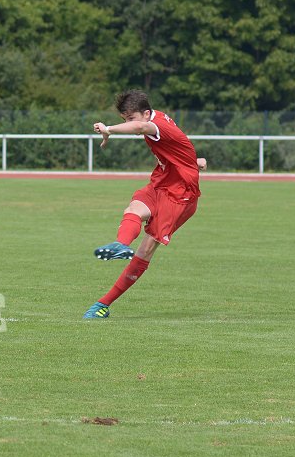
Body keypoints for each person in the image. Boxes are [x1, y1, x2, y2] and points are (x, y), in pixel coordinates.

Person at [84, 90, 206, 319]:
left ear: (146, 113)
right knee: (133, 210)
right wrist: (194, 161)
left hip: (181, 195)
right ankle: (121, 245)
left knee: (146, 248)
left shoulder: (154, 124)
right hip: (162, 182)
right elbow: (179, 144)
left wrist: (109, 129)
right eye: (125, 119)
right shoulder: (156, 117)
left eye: (130, 118)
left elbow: (141, 127)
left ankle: (103, 304)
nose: (128, 124)